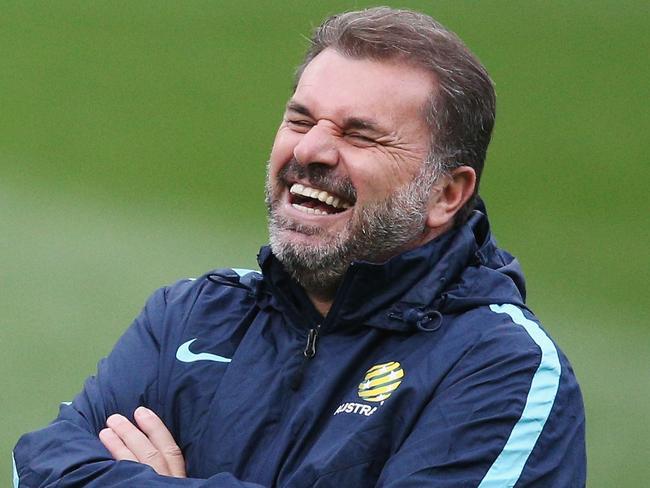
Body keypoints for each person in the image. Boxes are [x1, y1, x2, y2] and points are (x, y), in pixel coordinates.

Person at [13, 7, 586, 487]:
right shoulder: (188, 319)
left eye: (359, 134)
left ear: (446, 193)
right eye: (300, 119)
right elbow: (39, 469)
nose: (311, 150)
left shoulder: (499, 369)